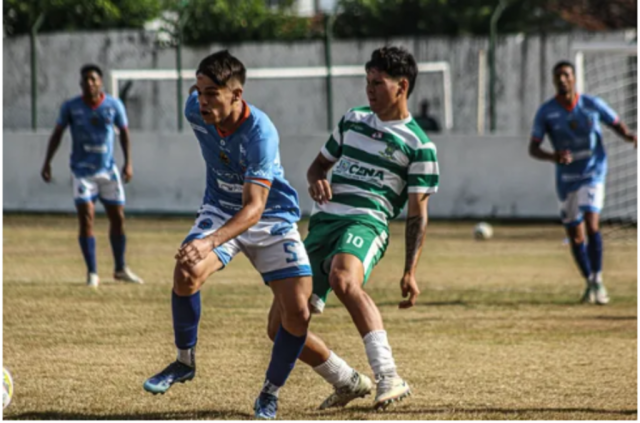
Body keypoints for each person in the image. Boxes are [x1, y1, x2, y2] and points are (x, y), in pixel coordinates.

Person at [142, 50, 316, 420]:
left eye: (212, 94)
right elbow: (194, 97)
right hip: (220, 208)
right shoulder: (194, 109)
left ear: (237, 95)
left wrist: (208, 241)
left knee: (298, 313)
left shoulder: (261, 134)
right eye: (200, 92)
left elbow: (254, 208)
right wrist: (206, 239)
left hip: (270, 217)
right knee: (185, 273)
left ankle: (269, 393)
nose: (203, 102)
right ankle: (184, 362)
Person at [269, 46, 439, 411]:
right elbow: (317, 168)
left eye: (378, 83)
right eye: (367, 82)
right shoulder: (352, 119)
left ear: (402, 87)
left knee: (344, 280)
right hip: (324, 223)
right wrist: (316, 182)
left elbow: (417, 214)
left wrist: (410, 271)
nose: (369, 90)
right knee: (280, 326)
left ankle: (388, 375)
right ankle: (346, 380)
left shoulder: (419, 146)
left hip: (367, 221)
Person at [529, 60, 636, 305]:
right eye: (558, 76)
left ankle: (598, 279)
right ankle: (590, 281)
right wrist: (553, 156)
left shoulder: (591, 104)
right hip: (566, 179)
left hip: (593, 172)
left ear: (574, 78)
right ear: (554, 80)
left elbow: (616, 123)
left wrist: (630, 136)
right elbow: (533, 148)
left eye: (566, 75)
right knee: (575, 236)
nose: (562, 79)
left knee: (591, 222)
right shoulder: (546, 112)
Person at [41, 64, 143, 288]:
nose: (90, 83)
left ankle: (120, 268)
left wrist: (128, 164)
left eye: (94, 79)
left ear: (101, 82)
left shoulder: (114, 105)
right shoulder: (71, 107)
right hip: (82, 171)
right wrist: (47, 162)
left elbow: (124, 133)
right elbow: (57, 134)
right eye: (86, 79)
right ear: (80, 84)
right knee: (86, 217)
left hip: (108, 171)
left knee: (118, 218)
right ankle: (93, 273)